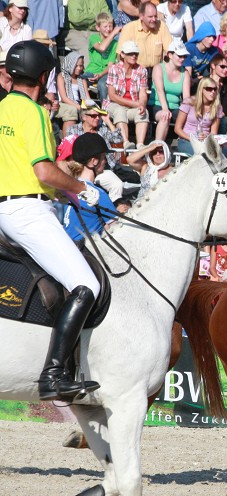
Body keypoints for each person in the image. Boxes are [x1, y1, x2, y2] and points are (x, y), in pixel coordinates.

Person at [0, 40, 102, 401]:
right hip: (27, 213)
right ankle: (54, 375)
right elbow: (44, 170)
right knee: (87, 285)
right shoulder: (35, 113)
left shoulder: (1, 109)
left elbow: (22, 173)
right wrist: (79, 189)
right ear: (43, 77)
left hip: (8, 209)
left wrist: (57, 193)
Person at [61, 133, 119, 242]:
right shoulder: (97, 194)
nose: (105, 161)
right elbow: (118, 230)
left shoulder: (69, 189)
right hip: (86, 253)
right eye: (103, 157)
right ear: (94, 161)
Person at [104, 40, 150, 149]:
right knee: (120, 111)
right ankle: (126, 142)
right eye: (130, 53)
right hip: (114, 104)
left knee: (144, 112)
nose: (134, 56)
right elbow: (112, 95)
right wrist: (135, 104)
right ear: (123, 54)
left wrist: (142, 104)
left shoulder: (142, 70)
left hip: (132, 107)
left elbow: (143, 92)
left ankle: (140, 144)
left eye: (136, 53)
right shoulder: (114, 69)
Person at [149, 41, 191, 143]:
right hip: (157, 104)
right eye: (180, 56)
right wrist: (165, 109)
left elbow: (186, 97)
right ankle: (158, 147)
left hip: (176, 107)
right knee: (165, 117)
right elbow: (160, 90)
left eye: (184, 56)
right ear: (170, 55)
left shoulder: (185, 73)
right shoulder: (158, 68)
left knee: (190, 119)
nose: (182, 59)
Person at [174, 76, 223, 156]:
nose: (213, 92)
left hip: (205, 141)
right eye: (209, 89)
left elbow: (214, 132)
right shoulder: (189, 102)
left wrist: (207, 136)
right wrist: (192, 139)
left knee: (214, 155)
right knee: (201, 154)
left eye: (215, 89)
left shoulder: (217, 107)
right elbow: (177, 129)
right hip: (186, 140)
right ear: (201, 89)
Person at [118, 1, 174, 68]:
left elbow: (171, 51)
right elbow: (120, 56)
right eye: (150, 17)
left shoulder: (162, 26)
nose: (154, 19)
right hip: (136, 71)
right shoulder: (129, 29)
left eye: (155, 16)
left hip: (156, 71)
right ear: (141, 16)